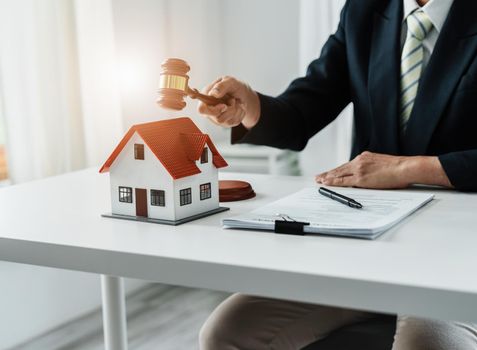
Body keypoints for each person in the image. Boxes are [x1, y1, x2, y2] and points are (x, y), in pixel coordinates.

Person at [197, 0, 477, 349]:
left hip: (460, 253)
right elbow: (302, 113)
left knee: (426, 344)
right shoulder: (365, 10)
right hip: (367, 245)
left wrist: (410, 168)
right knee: (225, 332)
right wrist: (249, 106)